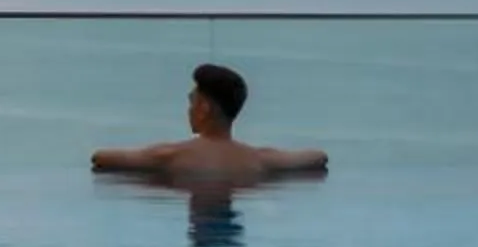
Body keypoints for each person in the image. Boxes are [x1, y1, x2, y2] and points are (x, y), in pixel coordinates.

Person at [91, 63, 329, 185]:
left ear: (204, 108)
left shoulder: (169, 156)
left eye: (192, 101)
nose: (189, 109)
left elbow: (101, 158)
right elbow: (318, 158)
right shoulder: (259, 159)